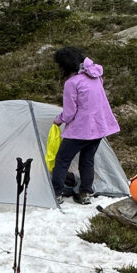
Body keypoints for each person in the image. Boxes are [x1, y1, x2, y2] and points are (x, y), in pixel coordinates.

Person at [50, 47, 119, 205]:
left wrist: (58, 120)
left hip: (81, 130)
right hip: (99, 128)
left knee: (62, 159)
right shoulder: (95, 76)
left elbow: (69, 113)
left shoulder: (71, 83)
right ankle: (85, 194)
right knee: (87, 160)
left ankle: (57, 193)